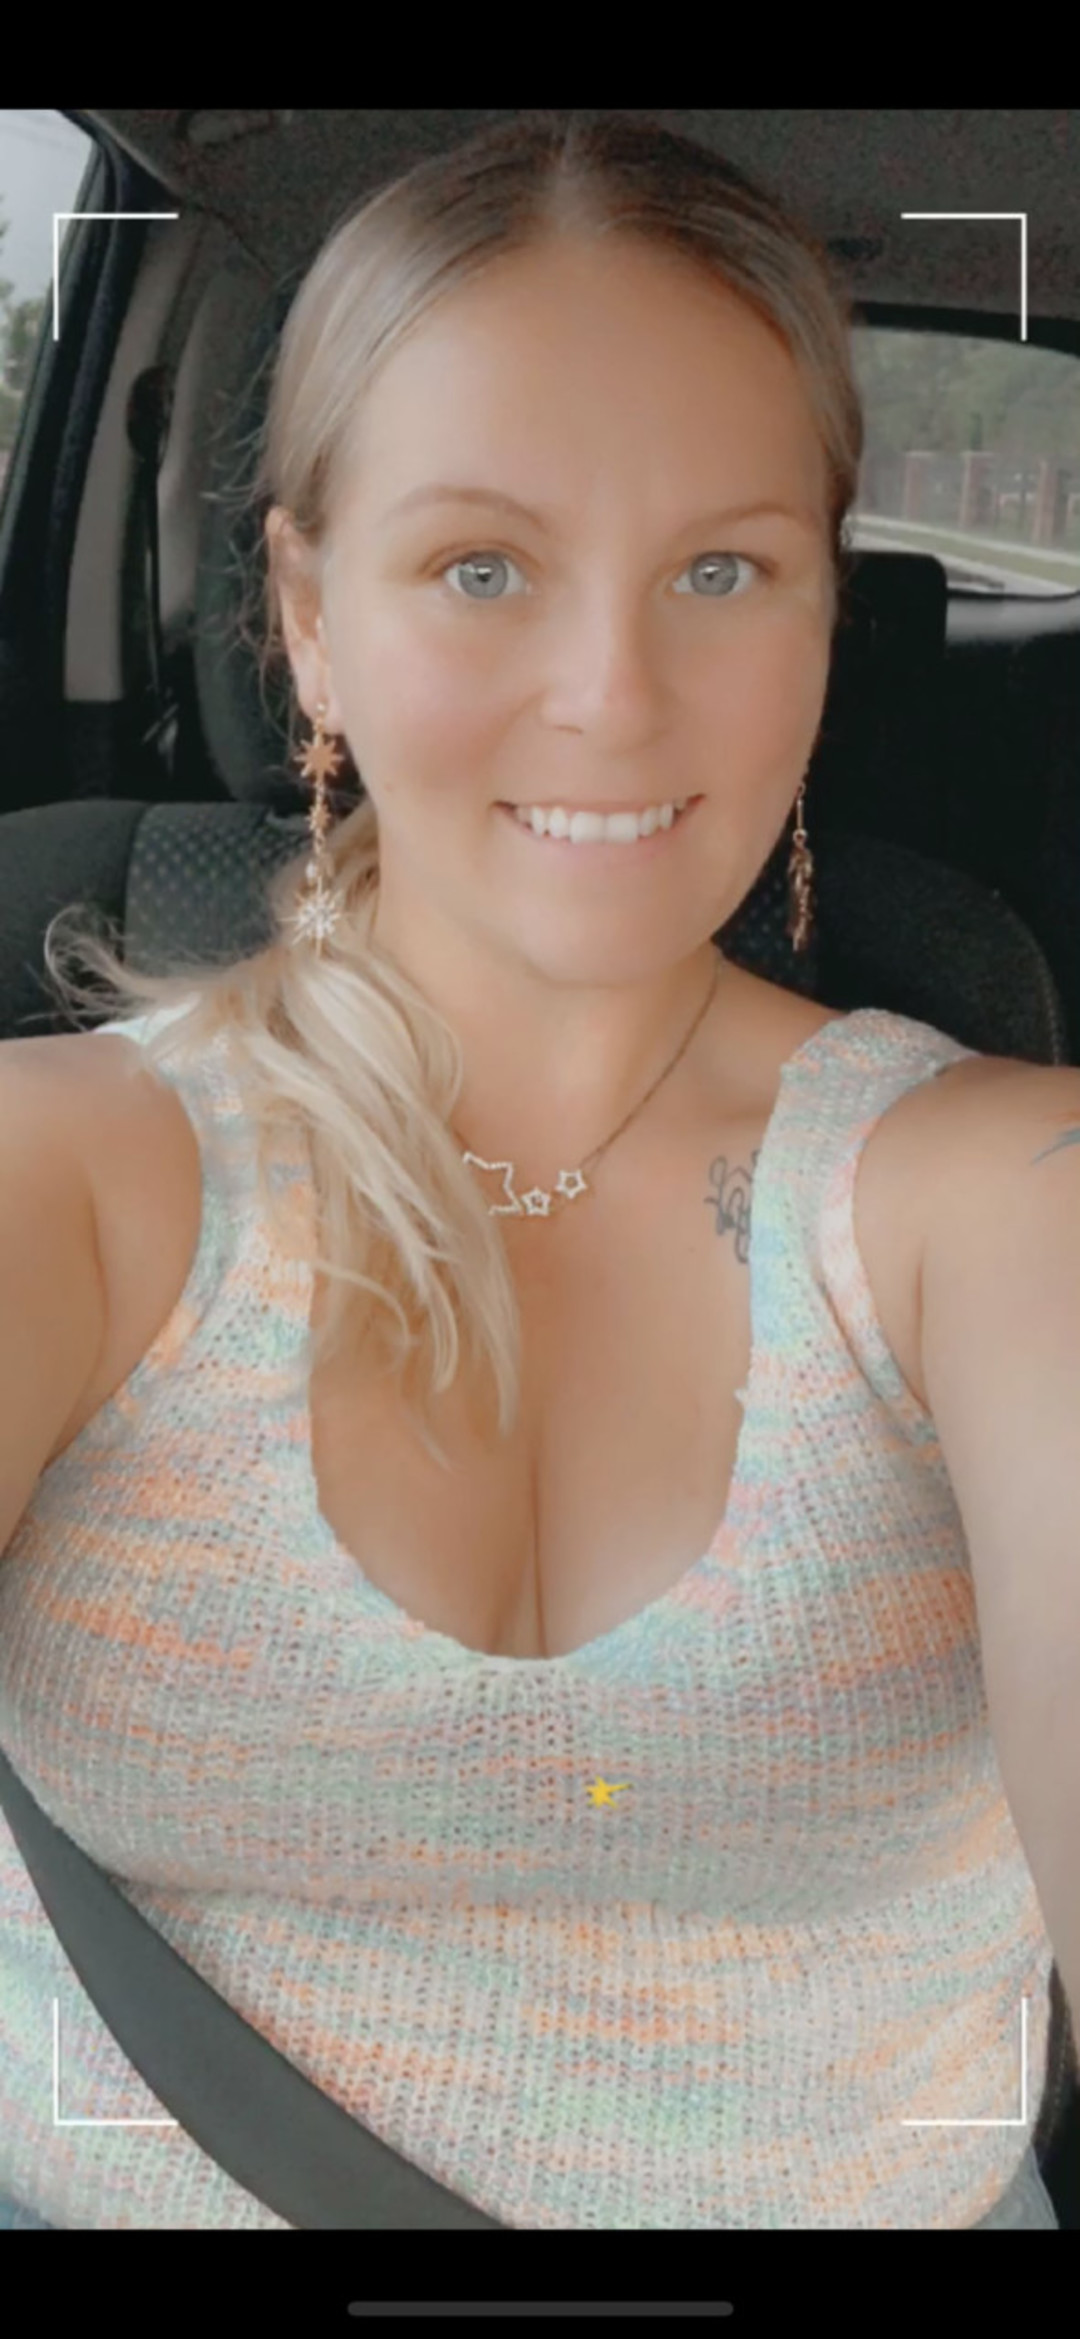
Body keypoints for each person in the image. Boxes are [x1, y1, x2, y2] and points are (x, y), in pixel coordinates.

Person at [0, 110, 1060, 2230]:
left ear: (826, 615)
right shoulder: (68, 1173)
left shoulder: (1006, 1198)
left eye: (721, 572)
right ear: (308, 613)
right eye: (482, 567)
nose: (610, 698)